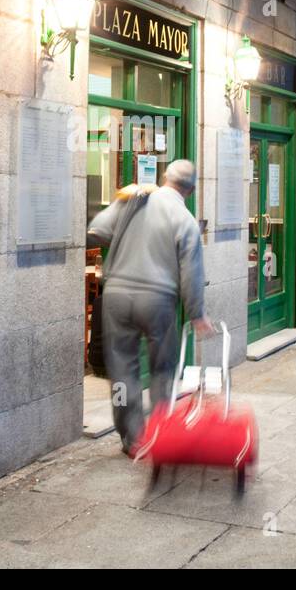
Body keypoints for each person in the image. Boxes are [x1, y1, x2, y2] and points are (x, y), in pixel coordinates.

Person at [86, 159, 211, 456]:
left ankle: (132, 439)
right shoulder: (185, 219)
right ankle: (161, 431)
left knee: (121, 371)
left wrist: (122, 200)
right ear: (190, 190)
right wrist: (197, 313)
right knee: (162, 368)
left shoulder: (135, 200)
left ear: (164, 177)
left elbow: (97, 230)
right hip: (157, 300)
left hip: (116, 295)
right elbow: (191, 272)